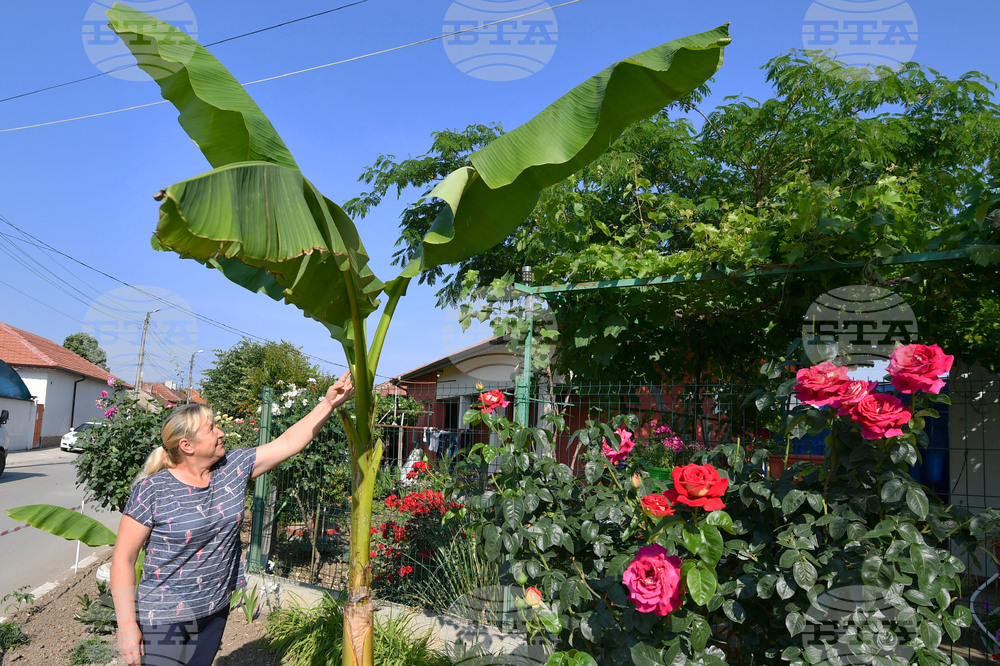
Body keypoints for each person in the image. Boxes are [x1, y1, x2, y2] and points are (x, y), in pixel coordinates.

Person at [111, 372, 354, 666]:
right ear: (187, 446)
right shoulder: (153, 489)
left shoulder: (233, 468)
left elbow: (289, 442)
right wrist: (127, 626)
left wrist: (328, 403)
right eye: (211, 429)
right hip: (165, 615)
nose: (220, 433)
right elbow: (124, 559)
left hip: (215, 608)